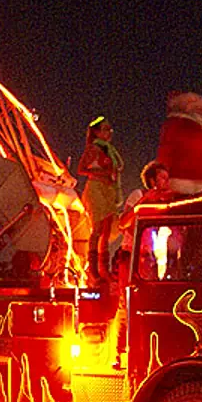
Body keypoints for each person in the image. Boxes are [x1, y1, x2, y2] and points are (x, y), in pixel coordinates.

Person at [78, 116, 123, 284]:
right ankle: (93, 270)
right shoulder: (93, 149)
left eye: (110, 129)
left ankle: (104, 269)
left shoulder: (109, 149)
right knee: (97, 229)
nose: (109, 132)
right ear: (96, 132)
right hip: (96, 188)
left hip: (108, 190)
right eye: (105, 129)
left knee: (106, 230)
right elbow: (81, 169)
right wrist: (101, 174)